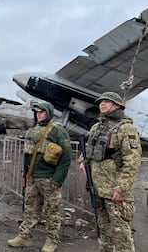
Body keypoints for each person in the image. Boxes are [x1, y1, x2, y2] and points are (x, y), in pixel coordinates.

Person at [79, 92, 142, 252]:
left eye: (107, 101)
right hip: (97, 187)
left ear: (117, 105)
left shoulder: (126, 129)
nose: (102, 104)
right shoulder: (96, 127)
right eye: (101, 102)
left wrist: (121, 188)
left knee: (120, 233)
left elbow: (132, 161)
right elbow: (87, 150)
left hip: (115, 189)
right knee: (103, 229)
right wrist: (82, 162)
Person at [8, 101, 72, 252]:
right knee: (30, 208)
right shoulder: (33, 131)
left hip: (49, 178)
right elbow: (28, 156)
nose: (39, 114)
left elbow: (66, 157)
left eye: (42, 112)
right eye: (37, 112)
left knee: (52, 211)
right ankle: (25, 236)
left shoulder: (58, 131)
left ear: (48, 113)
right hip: (32, 177)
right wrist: (26, 174)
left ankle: (52, 240)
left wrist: (58, 179)